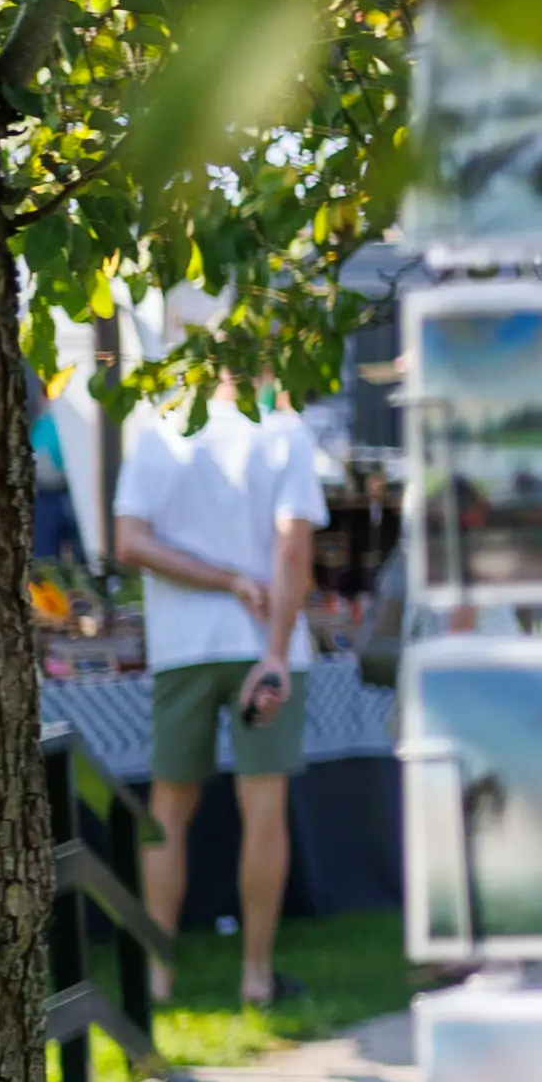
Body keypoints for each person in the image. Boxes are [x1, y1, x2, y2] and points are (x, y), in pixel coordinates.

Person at [105, 300, 322, 1014]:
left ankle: (157, 977)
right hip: (263, 643)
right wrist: (273, 651)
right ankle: (256, 975)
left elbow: (129, 542)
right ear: (268, 359)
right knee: (264, 807)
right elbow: (293, 552)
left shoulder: (161, 432)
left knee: (170, 806)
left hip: (182, 647)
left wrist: (218, 580)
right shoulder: (285, 432)